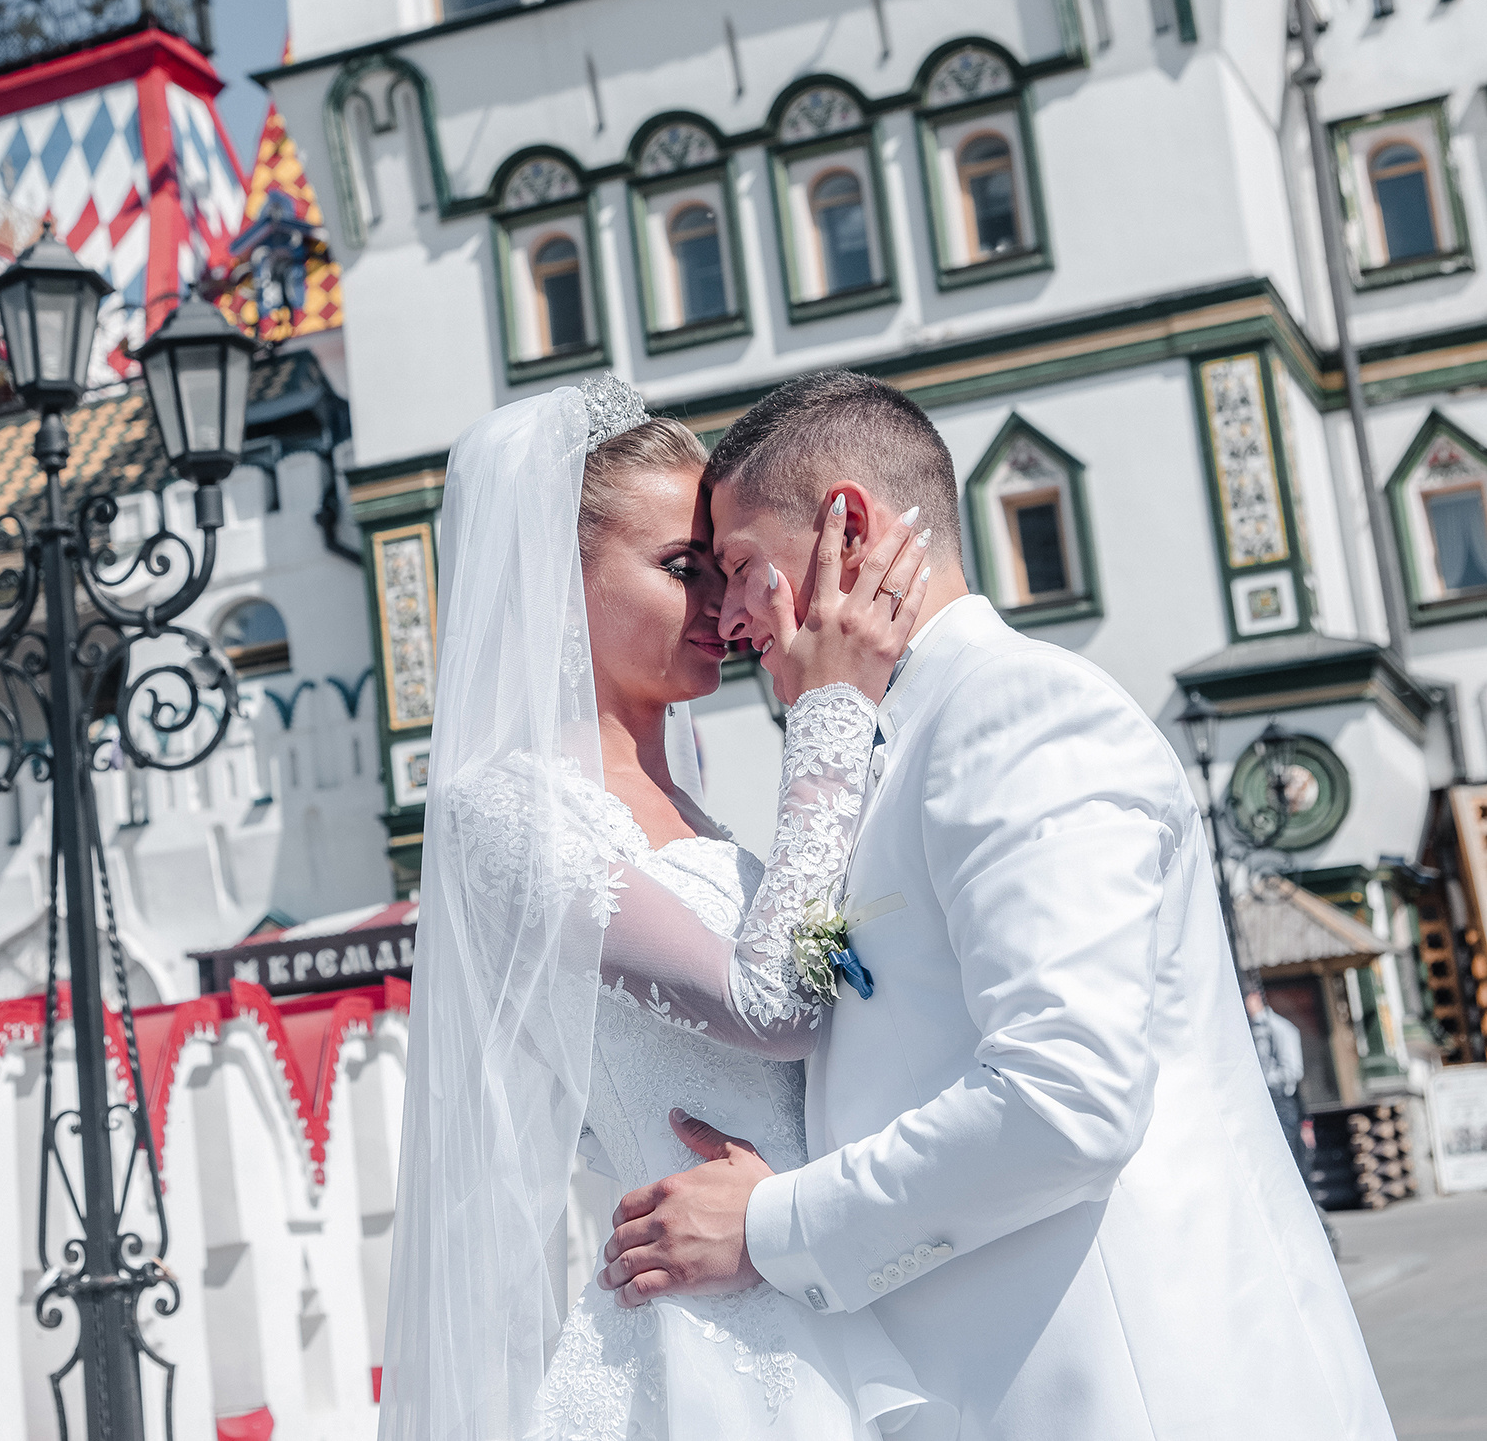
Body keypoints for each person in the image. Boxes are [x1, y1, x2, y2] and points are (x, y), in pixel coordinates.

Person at [595, 371, 1390, 1439]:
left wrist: (769, 1225)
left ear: (847, 526)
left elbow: (1066, 1100)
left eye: (737, 567)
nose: (728, 617)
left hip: (1132, 1389)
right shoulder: (894, 746)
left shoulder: (1016, 711)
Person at [380, 373, 943, 1441]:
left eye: (724, 573)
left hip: (817, 1283)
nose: (723, 610)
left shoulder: (690, 806)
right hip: (708, 1349)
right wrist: (826, 710)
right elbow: (771, 1005)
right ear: (556, 577)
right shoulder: (502, 807)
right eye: (684, 569)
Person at [1248, 986, 1311, 1178]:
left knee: (1286, 1156)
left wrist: (1263, 1080)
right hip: (1258, 1101)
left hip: (1280, 1101)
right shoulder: (1248, 1029)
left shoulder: (1281, 1028)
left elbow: (1293, 1070)